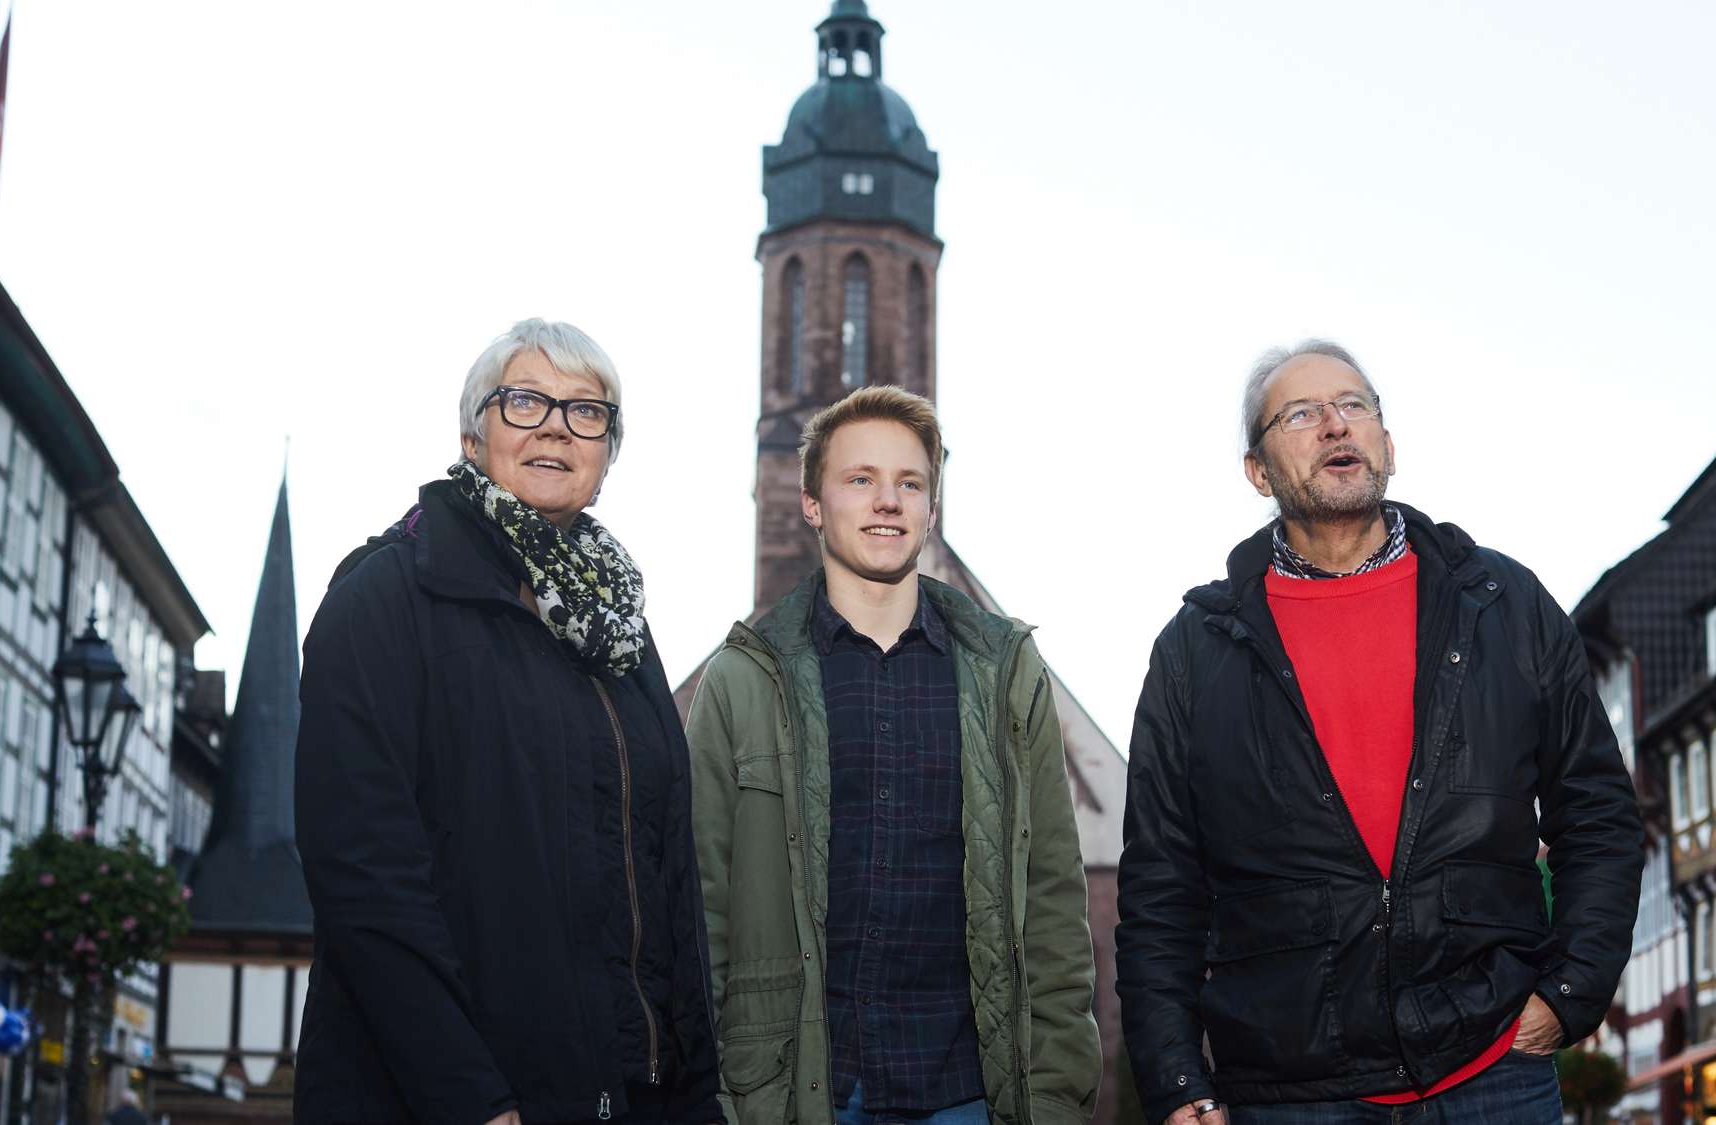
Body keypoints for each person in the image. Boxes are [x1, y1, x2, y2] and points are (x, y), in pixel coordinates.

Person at [1116, 341, 1643, 1122]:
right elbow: (1162, 884)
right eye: (1301, 413)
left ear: (1387, 446)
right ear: (1259, 472)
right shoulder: (1196, 651)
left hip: (1491, 1070)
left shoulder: (1504, 604)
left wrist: (1572, 989)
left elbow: (1598, 811)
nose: (1335, 423)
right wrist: (1175, 1076)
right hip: (1290, 1087)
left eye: (1355, 405)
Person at [294, 319, 720, 1124]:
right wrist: (471, 1099)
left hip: (631, 1097)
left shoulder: (624, 635)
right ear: (471, 436)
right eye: (525, 401)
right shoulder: (385, 599)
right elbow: (363, 876)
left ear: (604, 461)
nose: (557, 424)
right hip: (453, 1100)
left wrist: (697, 1096)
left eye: (587, 411)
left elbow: (669, 887)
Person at [685, 386, 1102, 1125]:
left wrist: (1058, 1097)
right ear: (813, 503)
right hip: (797, 1094)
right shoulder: (744, 680)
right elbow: (701, 908)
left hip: (967, 1094)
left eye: (909, 483)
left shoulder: (1004, 674)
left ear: (931, 508)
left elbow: (1055, 912)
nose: (888, 501)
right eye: (860, 479)